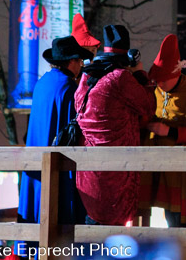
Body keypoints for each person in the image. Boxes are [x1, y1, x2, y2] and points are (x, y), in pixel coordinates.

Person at [74, 24, 156, 226]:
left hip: (87, 173)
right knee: (113, 244)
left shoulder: (87, 77)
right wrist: (139, 73)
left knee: (91, 237)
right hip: (115, 177)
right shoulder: (119, 78)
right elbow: (149, 105)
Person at [141, 34, 186, 228]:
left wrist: (170, 132)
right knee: (167, 218)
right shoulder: (157, 90)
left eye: (164, 80)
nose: (160, 84)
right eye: (157, 80)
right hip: (160, 167)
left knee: (179, 223)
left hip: (182, 175)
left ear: (176, 75)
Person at [17, 35, 92, 224]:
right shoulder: (68, 87)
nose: (81, 66)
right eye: (79, 61)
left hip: (34, 164)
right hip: (55, 168)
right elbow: (72, 132)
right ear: (71, 62)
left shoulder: (42, 83)